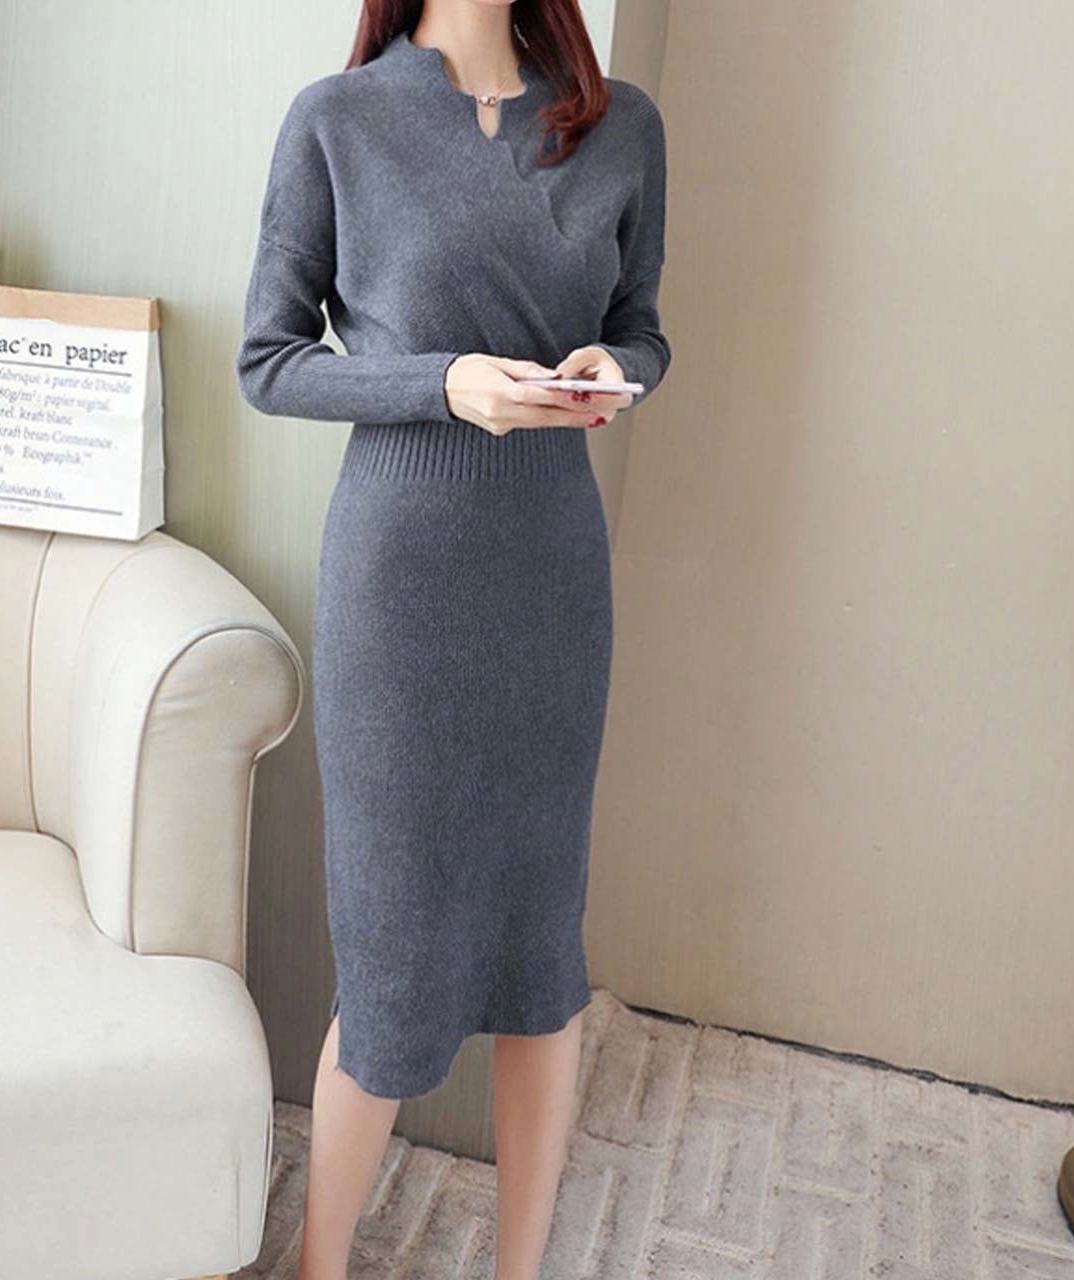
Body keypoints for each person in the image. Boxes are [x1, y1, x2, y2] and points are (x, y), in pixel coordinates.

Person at [236, 1, 671, 1276]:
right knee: (388, 961)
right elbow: (269, 359)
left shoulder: (619, 126)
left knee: (542, 952)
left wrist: (611, 367)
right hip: (399, 583)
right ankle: (320, 1263)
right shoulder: (338, 120)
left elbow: (644, 326)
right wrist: (440, 382)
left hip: (551, 581)